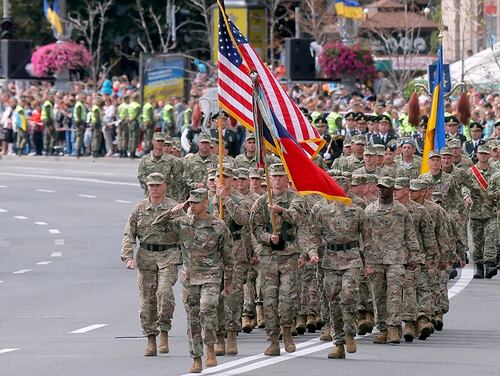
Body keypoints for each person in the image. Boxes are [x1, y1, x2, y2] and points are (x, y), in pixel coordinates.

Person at [153, 188, 234, 373]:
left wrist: (229, 282)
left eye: (196, 202)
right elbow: (156, 225)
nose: (192, 205)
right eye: (190, 202)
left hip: (212, 276)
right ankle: (196, 357)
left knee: (207, 308)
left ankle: (211, 347)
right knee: (192, 319)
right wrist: (172, 211)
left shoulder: (218, 226)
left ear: (205, 203)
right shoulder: (183, 223)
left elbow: (228, 257)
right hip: (190, 278)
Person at [120, 172, 182, 357]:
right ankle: (150, 339)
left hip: (168, 255)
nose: (154, 189)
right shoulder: (139, 208)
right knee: (147, 300)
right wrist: (128, 256)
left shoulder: (174, 207)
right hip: (146, 256)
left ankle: (164, 331)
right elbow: (129, 234)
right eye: (151, 185)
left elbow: (186, 231)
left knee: (164, 293)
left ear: (164, 186)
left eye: (157, 185)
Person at [250, 163, 307, 356]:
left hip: (288, 254)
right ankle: (273, 339)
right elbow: (255, 228)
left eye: (280, 176)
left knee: (287, 297)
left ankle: (287, 330)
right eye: (273, 176)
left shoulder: (294, 199)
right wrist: (268, 238)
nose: (276, 180)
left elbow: (298, 218)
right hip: (268, 256)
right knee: (269, 299)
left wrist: (281, 210)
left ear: (286, 179)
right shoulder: (261, 202)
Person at [306, 177, 365, 359]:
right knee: (333, 301)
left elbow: (368, 238)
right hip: (330, 259)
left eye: (343, 185)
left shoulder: (357, 211)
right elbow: (313, 235)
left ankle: (349, 331)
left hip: (351, 258)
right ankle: (338, 343)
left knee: (349, 294)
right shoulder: (323, 211)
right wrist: (312, 252)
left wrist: (369, 261)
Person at [363, 177, 420, 344]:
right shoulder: (369, 210)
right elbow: (364, 236)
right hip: (374, 259)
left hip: (396, 259)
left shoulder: (401, 211)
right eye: (379, 187)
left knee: (394, 295)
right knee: (378, 295)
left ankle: (394, 328)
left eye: (385, 188)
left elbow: (410, 235)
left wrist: (414, 256)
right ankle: (382, 329)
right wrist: (364, 260)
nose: (381, 190)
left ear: (392, 190)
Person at [463, 145, 498, 279]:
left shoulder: (495, 172)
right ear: (476, 155)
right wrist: (466, 196)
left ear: (489, 155)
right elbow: (464, 186)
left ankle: (489, 264)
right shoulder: (471, 172)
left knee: (490, 238)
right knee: (477, 241)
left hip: (491, 211)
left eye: (485, 154)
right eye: (480, 153)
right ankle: (479, 268)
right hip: (475, 211)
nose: (483, 156)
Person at [137, 132, 175, 197]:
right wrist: (151, 186)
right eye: (158, 141)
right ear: (153, 142)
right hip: (150, 195)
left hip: (167, 195)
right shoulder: (146, 159)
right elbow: (141, 176)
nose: (160, 143)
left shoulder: (171, 160)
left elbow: (177, 178)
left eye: (162, 141)